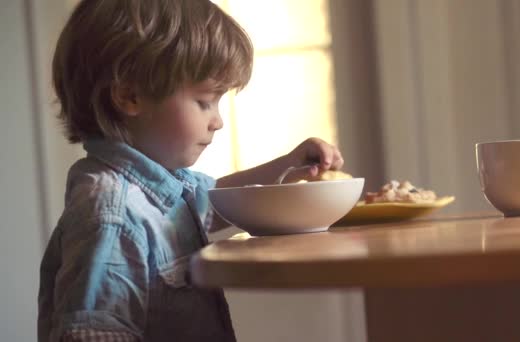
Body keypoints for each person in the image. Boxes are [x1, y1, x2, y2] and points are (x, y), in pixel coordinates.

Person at [37, 1, 344, 341]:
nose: (218, 121)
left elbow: (218, 203)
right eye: (204, 101)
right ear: (130, 96)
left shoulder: (160, 188)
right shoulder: (112, 215)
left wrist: (288, 165)